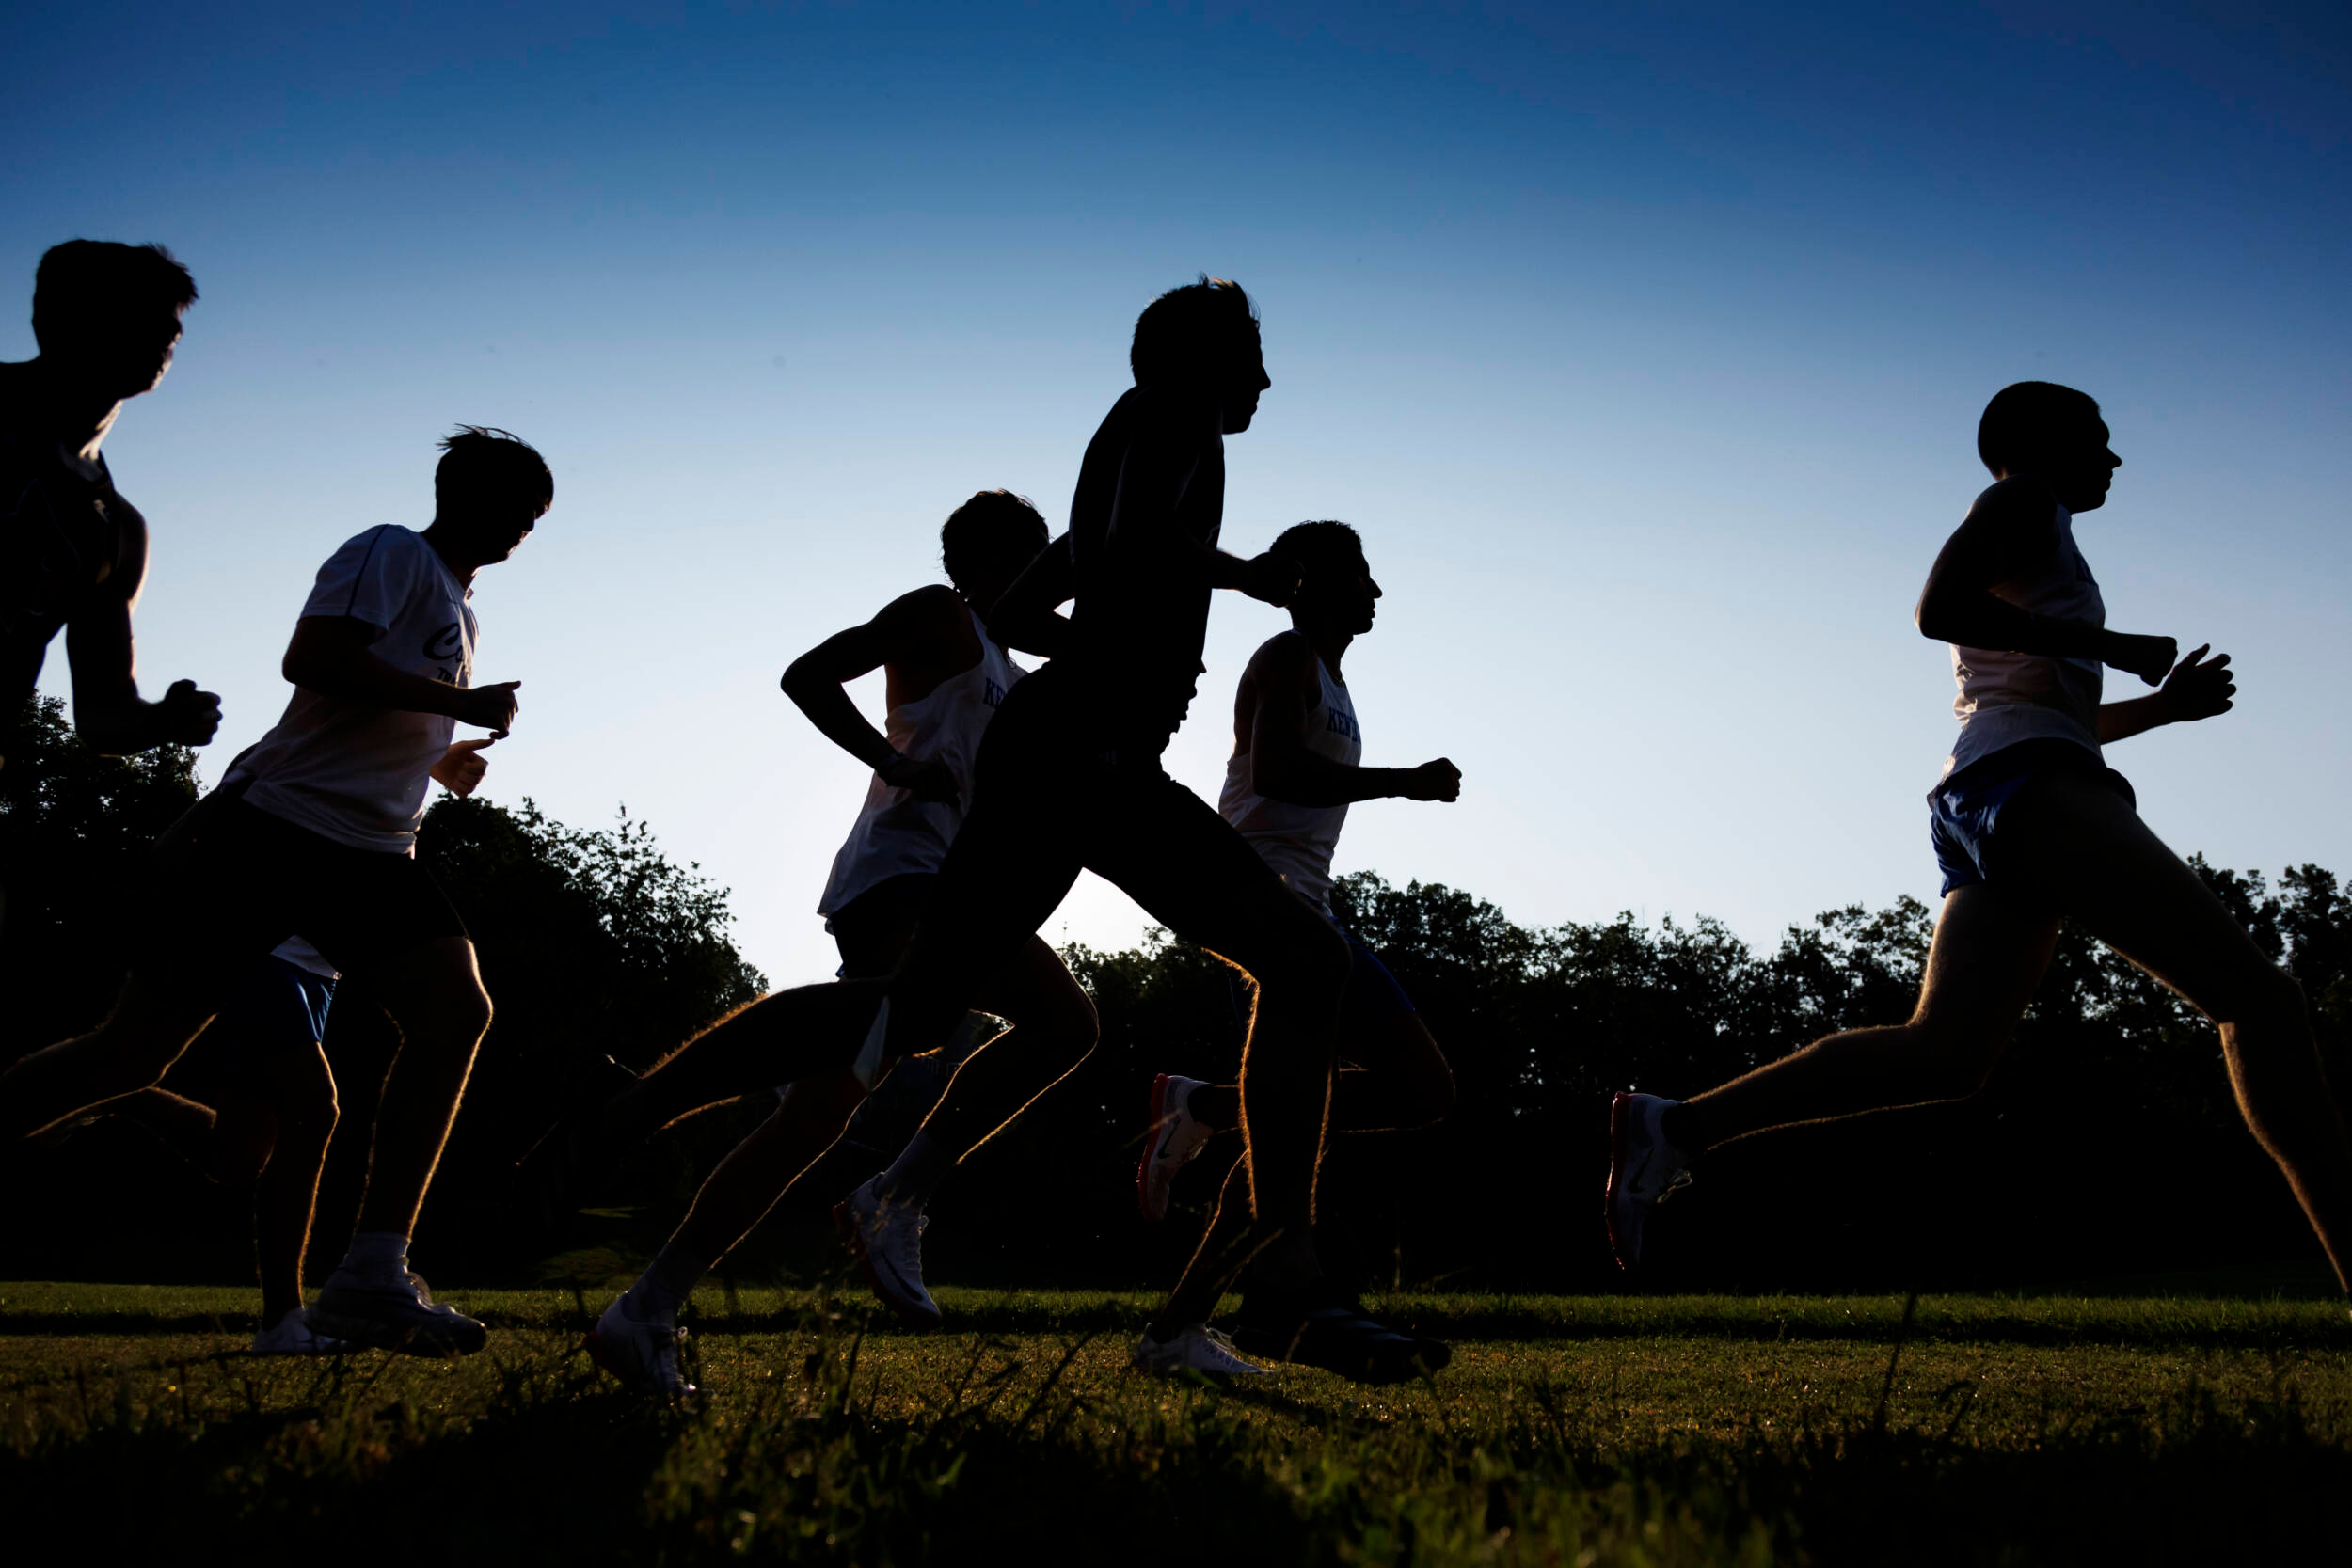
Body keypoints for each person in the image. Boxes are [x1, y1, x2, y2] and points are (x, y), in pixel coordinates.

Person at [1605, 382, 2352, 1302]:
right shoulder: (2021, 501)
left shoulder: (2041, 541)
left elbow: (2038, 704)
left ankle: (1676, 1126)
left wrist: (2159, 706)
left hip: (1990, 787)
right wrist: (2107, 641)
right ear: (2041, 445)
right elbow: (1937, 606)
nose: (2115, 459)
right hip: (2029, 786)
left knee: (1946, 1054)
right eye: (2100, 440)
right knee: (2261, 1001)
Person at [0, 425, 546, 1354]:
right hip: (277, 835)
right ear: (461, 496)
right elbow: (315, 660)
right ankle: (327, 1291)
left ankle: (372, 1271)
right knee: (128, 1055)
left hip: (370, 850)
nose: (520, 530)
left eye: (531, 517)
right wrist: (457, 705)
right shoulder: (391, 550)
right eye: (511, 509)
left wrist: (441, 756)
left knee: (456, 1011)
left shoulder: (456, 602)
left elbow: (368, 706)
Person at [579, 492, 1097, 1393]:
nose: (1042, 576)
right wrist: (891, 760)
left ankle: (646, 1307)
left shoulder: (1014, 665)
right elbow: (809, 672)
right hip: (900, 874)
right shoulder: (940, 615)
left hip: (960, 885)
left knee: (816, 1116)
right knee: (1056, 1019)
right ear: (982, 558)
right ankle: (889, 1193)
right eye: (1029, 556)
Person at [1137, 522, 1460, 1367]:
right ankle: (1279, 1284)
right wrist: (1403, 782)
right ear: (1315, 579)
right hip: (1263, 898)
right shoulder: (1285, 659)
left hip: (1315, 908)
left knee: (1415, 1090)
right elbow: (1276, 772)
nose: (1377, 591)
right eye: (1363, 572)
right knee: (1294, 1116)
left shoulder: (1335, 679)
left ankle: (1177, 1321)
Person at [51, 741, 495, 1353]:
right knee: (316, 1107)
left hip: (320, 973)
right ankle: (283, 1321)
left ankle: (119, 1096)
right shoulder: (289, 754)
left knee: (235, 1156)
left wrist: (435, 762)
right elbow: (179, 846)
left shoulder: (367, 753)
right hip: (266, 954)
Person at [2, 240, 220, 771]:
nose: (170, 330)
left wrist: (162, 721)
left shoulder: (119, 530)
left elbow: (104, 716)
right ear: (55, 318)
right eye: (137, 309)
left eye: (170, 318)